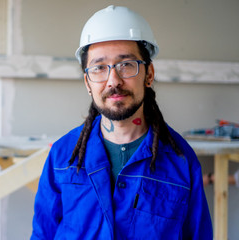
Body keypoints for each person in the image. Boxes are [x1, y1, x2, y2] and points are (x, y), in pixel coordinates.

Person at [31, 5, 212, 240]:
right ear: (87, 82)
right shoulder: (62, 156)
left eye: (126, 65)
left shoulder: (180, 160)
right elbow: (43, 234)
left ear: (148, 74)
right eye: (99, 68)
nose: (113, 80)